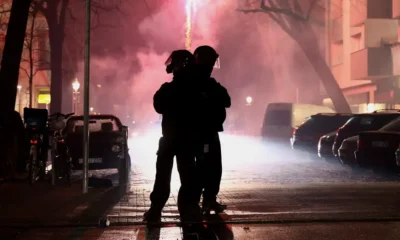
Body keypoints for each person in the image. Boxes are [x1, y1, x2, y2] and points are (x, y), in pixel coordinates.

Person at [144, 50, 202, 224]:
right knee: (188, 178)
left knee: (162, 177)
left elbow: (158, 107)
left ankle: (155, 212)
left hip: (169, 140)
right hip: (187, 141)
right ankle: (189, 212)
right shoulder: (195, 90)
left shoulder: (167, 89)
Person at [192, 45, 231, 214]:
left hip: (210, 132)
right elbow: (225, 99)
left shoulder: (209, 82)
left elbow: (226, 100)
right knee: (204, 168)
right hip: (201, 133)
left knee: (213, 167)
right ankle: (200, 202)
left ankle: (208, 200)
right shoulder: (197, 82)